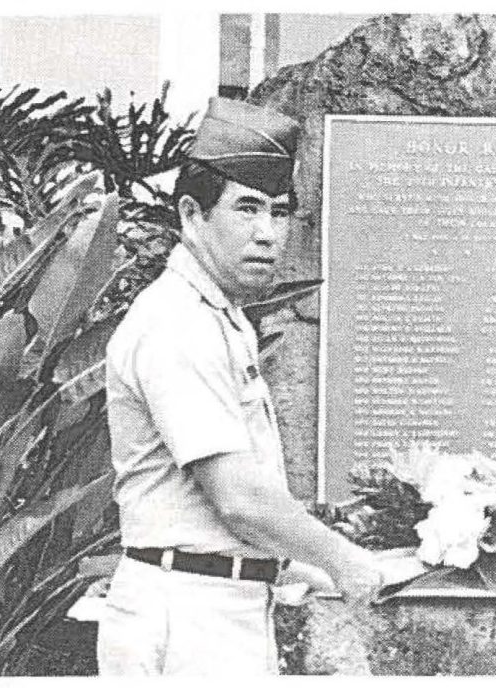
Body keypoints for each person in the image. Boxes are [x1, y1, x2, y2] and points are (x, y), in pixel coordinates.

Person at [99, 97, 383, 675]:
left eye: (279, 213)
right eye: (247, 209)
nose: (267, 234)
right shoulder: (178, 323)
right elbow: (236, 496)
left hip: (218, 607)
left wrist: (289, 563)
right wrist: (342, 558)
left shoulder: (216, 315)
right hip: (188, 616)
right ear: (190, 214)